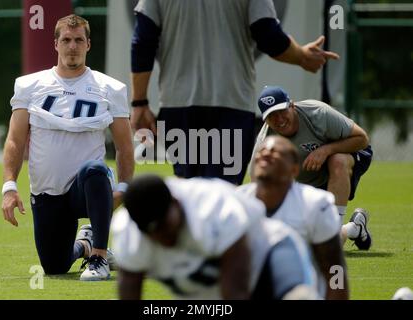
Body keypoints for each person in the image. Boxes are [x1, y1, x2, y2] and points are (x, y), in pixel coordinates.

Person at [130, 0, 339, 185]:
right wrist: (301, 56)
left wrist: (139, 102)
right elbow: (268, 36)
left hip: (179, 105)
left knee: (190, 189)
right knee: (223, 190)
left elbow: (143, 42)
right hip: (231, 106)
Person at [1, 14, 134, 281]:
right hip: (47, 192)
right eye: (66, 40)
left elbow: (124, 146)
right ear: (56, 44)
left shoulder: (110, 88)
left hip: (86, 188)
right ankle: (86, 244)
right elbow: (15, 140)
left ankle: (97, 257)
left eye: (78, 40)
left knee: (95, 170)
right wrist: (9, 187)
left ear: (88, 45)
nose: (72, 46)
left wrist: (123, 187)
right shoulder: (29, 85)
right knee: (54, 266)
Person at [111, 174, 320, 300]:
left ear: (176, 202)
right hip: (208, 290)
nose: (161, 238)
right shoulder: (129, 232)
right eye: (152, 233)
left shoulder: (214, 211)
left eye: (165, 227)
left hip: (267, 253)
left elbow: (235, 294)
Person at [251, 85, 373, 249]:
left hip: (350, 153)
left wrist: (326, 150)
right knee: (306, 239)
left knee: (336, 160)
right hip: (310, 181)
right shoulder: (265, 144)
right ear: (265, 120)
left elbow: (362, 138)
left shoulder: (318, 113)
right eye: (272, 116)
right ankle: (354, 228)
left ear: (291, 105)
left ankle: (334, 228)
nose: (279, 119)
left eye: (282, 111)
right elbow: (260, 188)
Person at [238, 136, 348, 299]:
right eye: (262, 151)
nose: (266, 154)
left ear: (294, 169)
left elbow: (334, 268)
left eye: (276, 152)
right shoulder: (237, 202)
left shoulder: (315, 203)